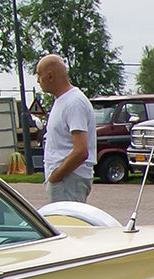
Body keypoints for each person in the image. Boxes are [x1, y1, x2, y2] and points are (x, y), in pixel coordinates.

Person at [35, 55, 95, 203]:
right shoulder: (61, 101)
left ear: (50, 76)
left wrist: (55, 176)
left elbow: (81, 151)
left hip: (68, 180)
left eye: (39, 75)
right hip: (64, 180)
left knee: (66, 224)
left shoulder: (74, 102)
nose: (38, 81)